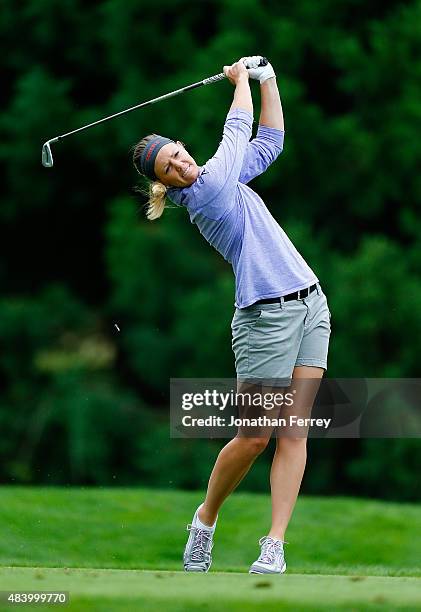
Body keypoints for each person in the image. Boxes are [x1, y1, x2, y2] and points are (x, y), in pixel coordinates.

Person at [132, 56, 331, 574]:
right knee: (254, 437)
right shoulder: (205, 192)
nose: (179, 165)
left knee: (294, 433)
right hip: (264, 320)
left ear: (181, 147)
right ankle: (204, 522)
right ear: (167, 185)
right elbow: (237, 127)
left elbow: (269, 142)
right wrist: (240, 80)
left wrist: (269, 82)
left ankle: (275, 545)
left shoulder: (218, 173)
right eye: (168, 169)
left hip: (311, 304)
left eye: (176, 154)